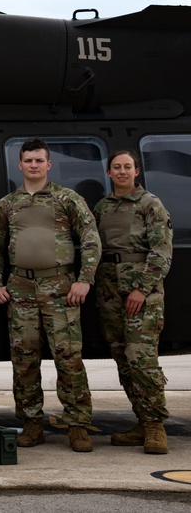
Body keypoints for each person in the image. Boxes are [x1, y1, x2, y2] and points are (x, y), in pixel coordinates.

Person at [0, 138, 101, 452]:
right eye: (28, 161)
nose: (34, 165)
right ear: (20, 165)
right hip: (20, 289)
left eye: (39, 160)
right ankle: (31, 423)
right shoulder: (6, 204)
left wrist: (85, 280)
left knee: (69, 360)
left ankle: (78, 426)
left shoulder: (68, 199)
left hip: (61, 288)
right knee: (24, 360)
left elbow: (91, 238)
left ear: (48, 165)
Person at [94, 150, 172, 454]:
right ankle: (141, 421)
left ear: (136, 171)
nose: (122, 171)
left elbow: (162, 253)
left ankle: (156, 426)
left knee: (141, 358)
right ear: (109, 172)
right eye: (117, 167)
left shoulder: (150, 204)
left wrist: (141, 288)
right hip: (109, 289)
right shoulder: (103, 206)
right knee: (122, 358)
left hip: (141, 290)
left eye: (127, 167)